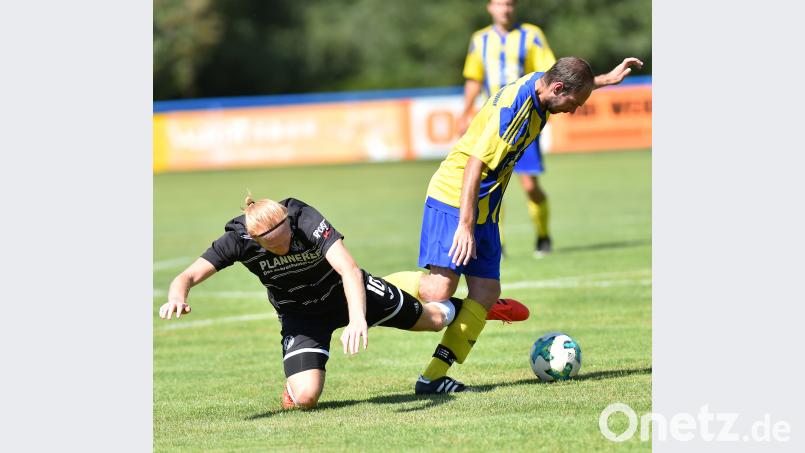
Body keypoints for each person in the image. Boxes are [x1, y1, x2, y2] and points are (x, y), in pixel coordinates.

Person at [385, 56, 643, 394]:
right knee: (438, 292)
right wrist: (465, 224)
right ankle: (362, 289)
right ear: (557, 89)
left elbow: (569, 81)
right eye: (574, 103)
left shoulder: (546, 84)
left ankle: (432, 378)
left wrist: (604, 80)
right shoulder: (515, 114)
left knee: (487, 292)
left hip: (486, 206)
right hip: (454, 197)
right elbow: (474, 164)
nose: (574, 110)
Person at [159, 195, 469, 409]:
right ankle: (295, 386)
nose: (287, 245)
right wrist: (177, 298)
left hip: (349, 294)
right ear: (256, 240)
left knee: (436, 320)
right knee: (306, 398)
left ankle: (476, 308)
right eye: (276, 245)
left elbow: (348, 269)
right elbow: (185, 277)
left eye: (288, 237)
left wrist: (358, 318)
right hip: (301, 316)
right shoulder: (237, 240)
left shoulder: (304, 219)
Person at [457, 0, 558, 257]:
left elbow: (549, 72)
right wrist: (464, 113)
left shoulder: (531, 35)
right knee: (490, 186)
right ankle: (497, 245)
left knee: (529, 186)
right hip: (494, 123)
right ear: (490, 7)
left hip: (524, 119)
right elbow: (474, 79)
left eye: (510, 4)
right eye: (500, 4)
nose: (506, 9)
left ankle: (543, 236)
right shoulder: (479, 40)